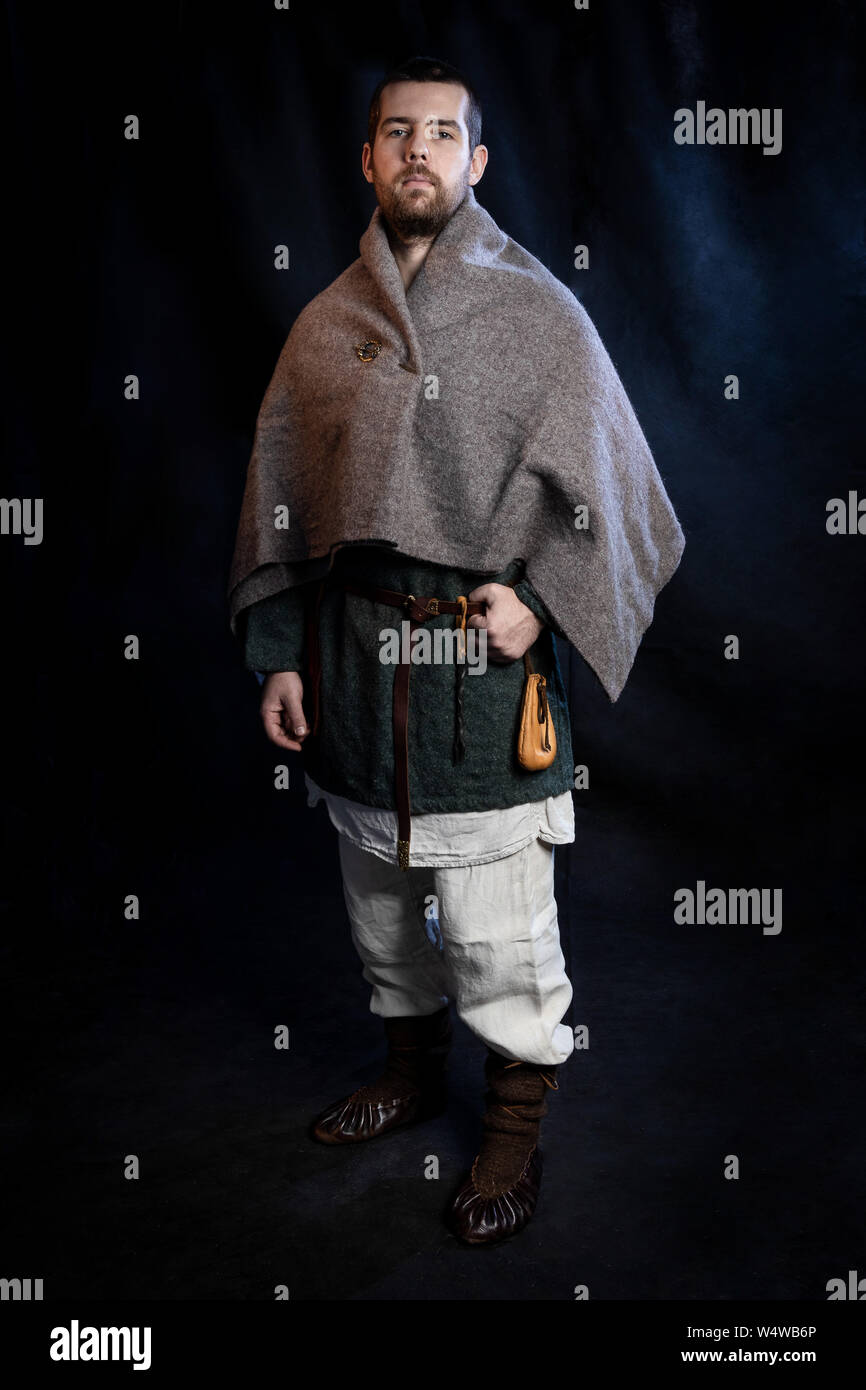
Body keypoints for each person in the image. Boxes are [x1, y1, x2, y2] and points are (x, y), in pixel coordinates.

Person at [227, 55, 686, 1247]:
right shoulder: (328, 322)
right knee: (381, 911)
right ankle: (411, 1071)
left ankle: (511, 1132)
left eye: (443, 133)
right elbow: (280, 503)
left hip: (480, 680)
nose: (419, 150)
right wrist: (280, 649)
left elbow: (618, 495)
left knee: (495, 930)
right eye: (397, 132)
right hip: (353, 668)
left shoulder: (536, 312)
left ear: (475, 162)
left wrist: (538, 595)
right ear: (368, 160)